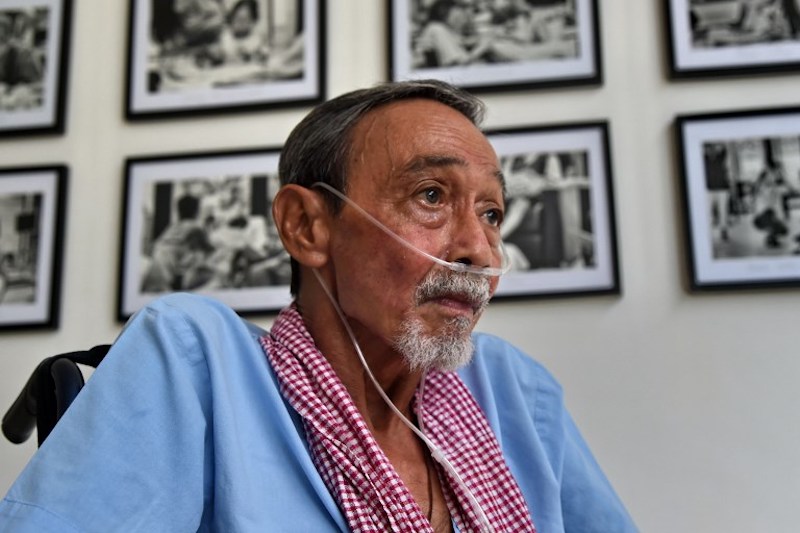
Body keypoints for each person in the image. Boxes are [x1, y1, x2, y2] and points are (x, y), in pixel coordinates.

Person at [0, 80, 637, 532]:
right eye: (431, 195)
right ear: (307, 226)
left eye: (492, 212)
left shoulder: (513, 390)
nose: (476, 248)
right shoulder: (197, 361)